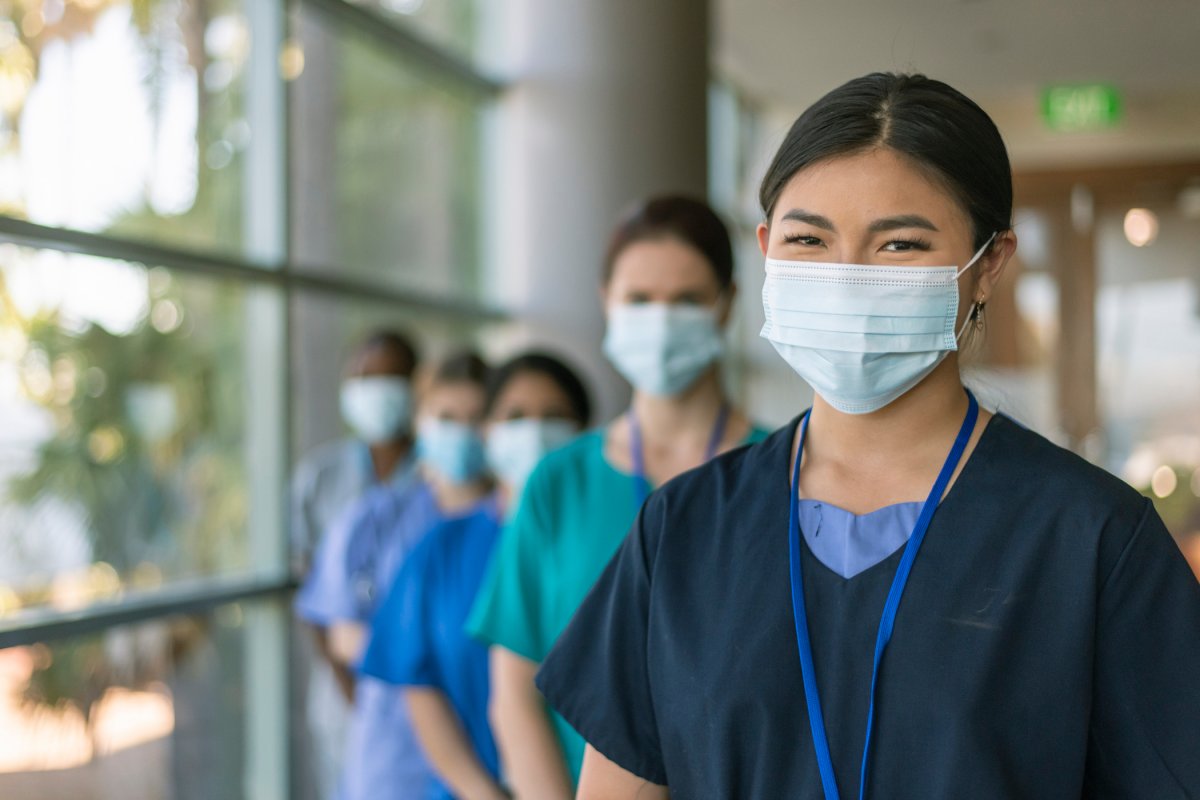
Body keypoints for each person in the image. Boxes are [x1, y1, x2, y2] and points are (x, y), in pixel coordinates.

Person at [534, 73, 1200, 799]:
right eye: (808, 238)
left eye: (900, 245)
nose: (845, 276)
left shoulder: (1091, 537)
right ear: (766, 250)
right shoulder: (684, 530)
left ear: (989, 265)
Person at [466, 196, 771, 797]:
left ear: (727, 304)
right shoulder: (557, 483)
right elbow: (514, 697)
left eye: (685, 300)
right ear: (606, 301)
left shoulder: (780, 474)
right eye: (639, 300)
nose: (661, 320)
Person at [361, 351, 592, 800]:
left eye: (554, 416)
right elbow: (420, 689)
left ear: (585, 433)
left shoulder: (609, 542)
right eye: (516, 416)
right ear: (487, 431)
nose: (533, 432)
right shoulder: (442, 548)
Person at [296, 351, 492, 800]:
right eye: (446, 417)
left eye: (476, 417)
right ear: (419, 420)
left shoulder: (516, 525)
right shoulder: (372, 521)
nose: (461, 432)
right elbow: (340, 636)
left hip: (494, 749)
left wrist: (402, 650)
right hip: (393, 756)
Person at [290, 329, 419, 800]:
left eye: (390, 378)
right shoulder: (321, 479)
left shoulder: (439, 475)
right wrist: (351, 691)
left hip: (424, 688)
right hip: (344, 697)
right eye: (364, 378)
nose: (376, 390)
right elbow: (310, 594)